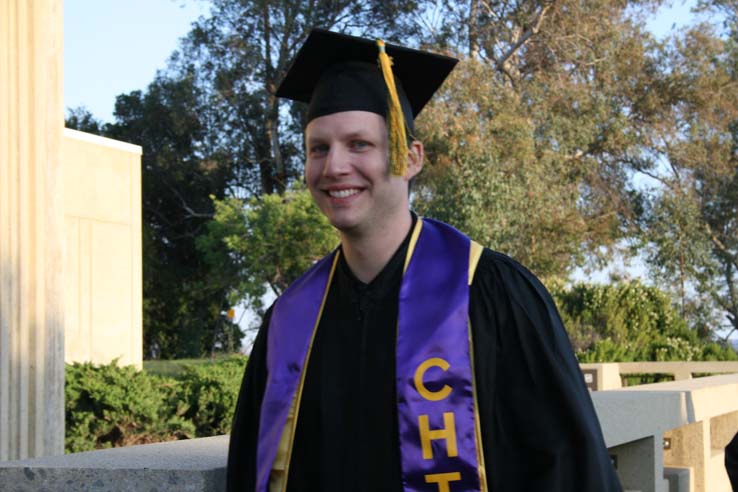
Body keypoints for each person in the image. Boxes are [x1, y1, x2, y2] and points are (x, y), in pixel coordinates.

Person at [227, 28, 622, 492]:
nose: (334, 167)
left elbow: (569, 470)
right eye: (319, 148)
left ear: (411, 158)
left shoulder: (492, 294)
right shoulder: (288, 322)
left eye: (359, 145)